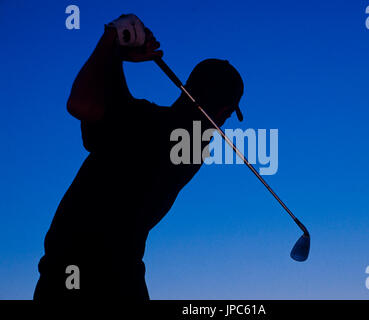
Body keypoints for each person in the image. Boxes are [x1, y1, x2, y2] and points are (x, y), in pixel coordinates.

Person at [34, 14, 244, 300]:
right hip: (110, 280)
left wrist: (114, 38)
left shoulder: (161, 128)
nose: (223, 125)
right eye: (228, 115)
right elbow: (102, 106)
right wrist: (116, 53)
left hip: (81, 276)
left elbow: (90, 104)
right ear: (221, 113)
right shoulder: (181, 138)